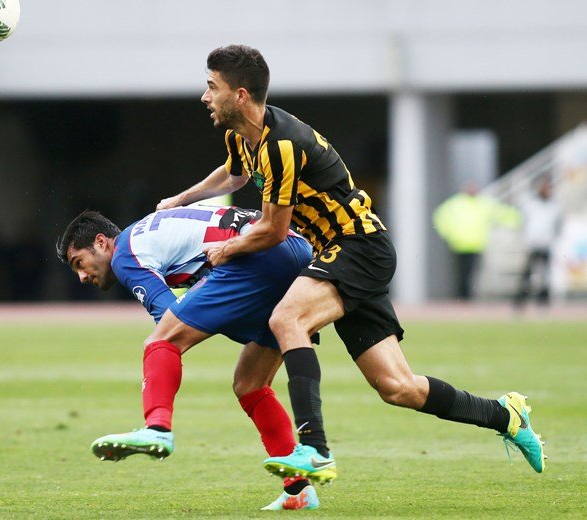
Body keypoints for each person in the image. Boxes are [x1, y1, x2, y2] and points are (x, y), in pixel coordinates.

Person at [155, 45, 545, 479]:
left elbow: (274, 230)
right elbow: (235, 174)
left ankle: (315, 448)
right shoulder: (242, 136)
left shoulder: (281, 145)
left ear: (240, 94)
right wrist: (181, 199)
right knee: (397, 387)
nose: (205, 96)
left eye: (212, 87)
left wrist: (227, 249)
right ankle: (506, 415)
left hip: (357, 246)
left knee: (287, 319)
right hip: (343, 253)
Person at [57, 205, 321, 510]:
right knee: (249, 383)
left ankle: (157, 429)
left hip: (258, 255)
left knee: (161, 340)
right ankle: (298, 489)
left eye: (79, 263)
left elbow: (168, 316)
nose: (81, 276)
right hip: (297, 250)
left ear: (102, 242)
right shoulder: (149, 232)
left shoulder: (124, 254)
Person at [432, 182, 522, 300]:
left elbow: (503, 214)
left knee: (472, 273)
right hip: (459, 245)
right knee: (461, 273)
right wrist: (447, 234)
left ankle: (466, 297)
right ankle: (461, 296)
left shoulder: (483, 203)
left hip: (476, 245)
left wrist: (518, 219)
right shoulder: (456, 203)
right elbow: (440, 217)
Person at [513, 177, 560, 308]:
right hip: (532, 244)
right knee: (527, 274)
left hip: (546, 245)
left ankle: (543, 302)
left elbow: (557, 226)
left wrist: (553, 240)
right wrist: (524, 239)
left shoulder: (554, 206)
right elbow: (523, 222)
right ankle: (520, 302)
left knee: (545, 276)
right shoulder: (530, 204)